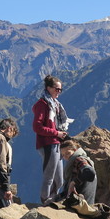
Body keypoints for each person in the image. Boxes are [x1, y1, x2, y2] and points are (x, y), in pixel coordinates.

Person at [32, 75, 71, 204]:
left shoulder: (55, 105)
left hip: (56, 143)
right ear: (48, 88)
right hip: (47, 144)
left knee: (59, 180)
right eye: (57, 89)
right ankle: (45, 201)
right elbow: (37, 127)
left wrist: (60, 134)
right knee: (49, 177)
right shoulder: (42, 104)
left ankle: (52, 199)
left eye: (60, 90)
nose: (59, 92)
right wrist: (56, 133)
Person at [59, 139, 97, 204]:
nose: (65, 157)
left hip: (80, 204)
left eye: (68, 153)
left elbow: (90, 173)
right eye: (63, 155)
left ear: (75, 150)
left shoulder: (79, 160)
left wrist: (73, 183)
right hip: (82, 203)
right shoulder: (73, 163)